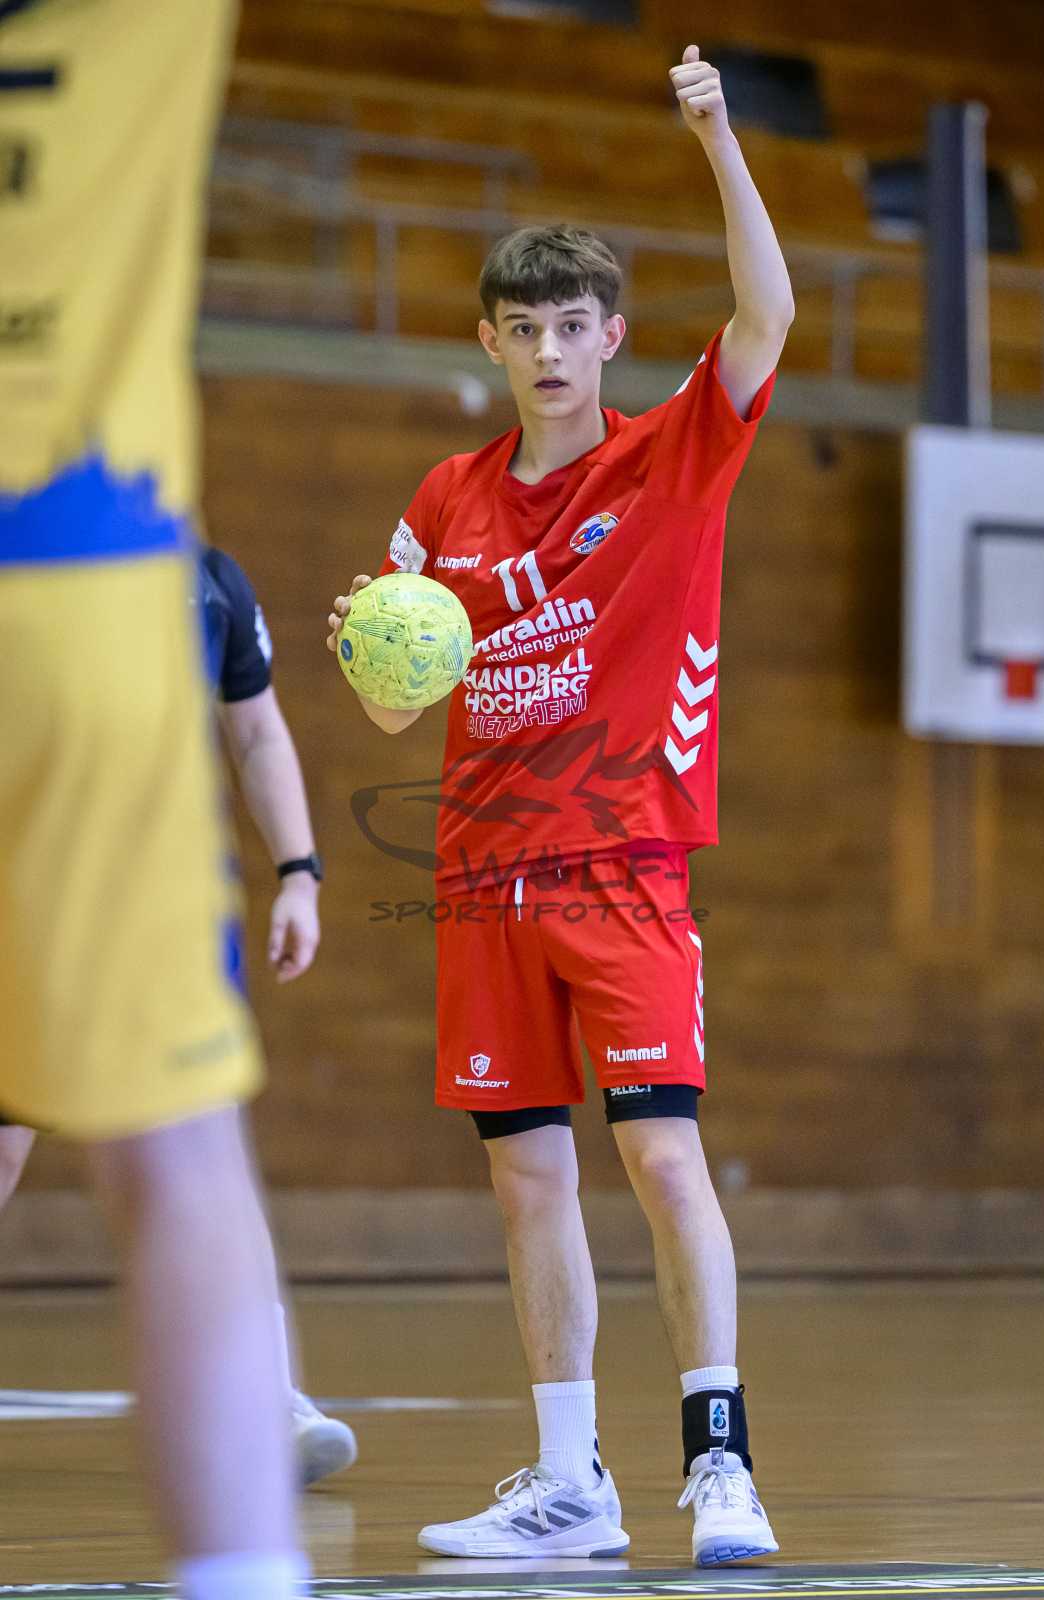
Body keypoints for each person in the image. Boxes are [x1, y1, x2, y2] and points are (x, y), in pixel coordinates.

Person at [328, 47, 793, 1566]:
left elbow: (766, 316)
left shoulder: (672, 457)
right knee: (527, 1176)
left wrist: (715, 140)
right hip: (479, 875)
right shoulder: (444, 500)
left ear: (608, 338)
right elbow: (392, 711)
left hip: (622, 861)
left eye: (570, 327)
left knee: (659, 1157)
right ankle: (566, 1481)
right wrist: (372, 643)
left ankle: (717, 1460)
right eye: (520, 328)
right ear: (488, 339)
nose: (545, 350)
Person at [1, 1, 306, 1595]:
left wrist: (303, 860)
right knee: (176, 1160)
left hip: (106, 588)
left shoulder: (231, 594)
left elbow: (261, 733)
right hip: (72, 572)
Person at [0, 541, 357, 1489]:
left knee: (204, 1144)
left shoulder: (210, 579)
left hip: (162, 904)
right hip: (30, 894)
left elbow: (256, 730)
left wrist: (298, 873)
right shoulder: (33, 549)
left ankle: (271, 1398)